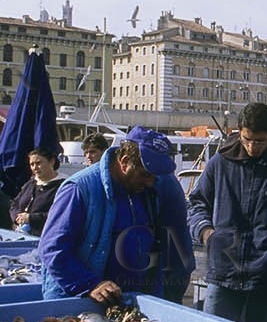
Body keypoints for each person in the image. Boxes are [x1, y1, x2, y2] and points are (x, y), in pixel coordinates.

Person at [39, 126, 194, 305]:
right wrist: (90, 285)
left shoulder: (148, 190)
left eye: (155, 177)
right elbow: (53, 249)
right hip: (76, 300)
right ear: (125, 161)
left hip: (123, 300)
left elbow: (160, 248)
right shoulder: (79, 188)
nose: (151, 182)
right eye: (145, 175)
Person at [187, 102, 267, 322]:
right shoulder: (219, 163)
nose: (252, 147)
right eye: (246, 139)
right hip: (223, 275)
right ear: (239, 132)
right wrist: (207, 234)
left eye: (260, 141)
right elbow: (196, 203)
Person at [10, 144, 63, 235]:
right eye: (32, 164)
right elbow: (15, 204)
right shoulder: (31, 183)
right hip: (21, 235)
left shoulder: (62, 186)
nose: (35, 167)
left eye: (38, 163)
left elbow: (61, 214)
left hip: (46, 236)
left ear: (52, 162)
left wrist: (31, 218)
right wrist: (17, 218)